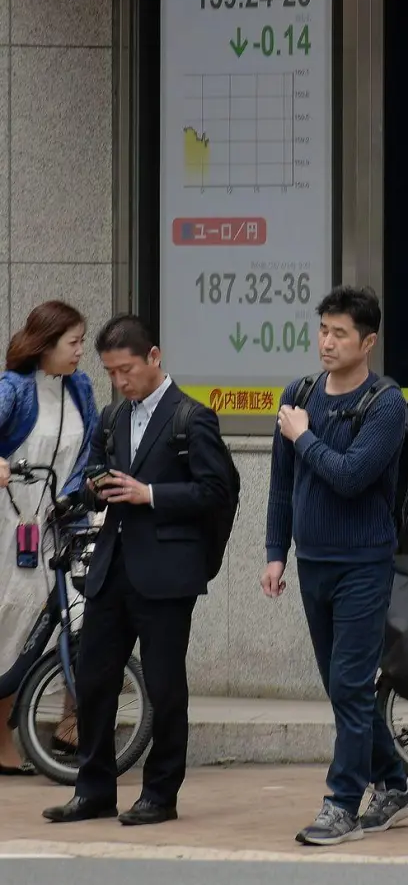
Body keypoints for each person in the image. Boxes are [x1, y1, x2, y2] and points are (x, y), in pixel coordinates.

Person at [43, 315, 229, 827]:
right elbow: (93, 482)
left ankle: (160, 795)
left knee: (165, 688)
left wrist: (149, 494)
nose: (120, 381)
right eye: (110, 372)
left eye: (126, 369)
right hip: (111, 567)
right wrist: (91, 489)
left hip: (166, 573)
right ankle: (93, 790)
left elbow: (216, 491)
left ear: (154, 357)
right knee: (94, 681)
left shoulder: (192, 417)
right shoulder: (112, 417)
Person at [261, 287, 408, 846]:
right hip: (313, 562)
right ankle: (396, 786)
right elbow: (281, 484)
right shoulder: (299, 393)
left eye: (340, 333)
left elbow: (351, 476)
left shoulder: (385, 403)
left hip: (364, 563)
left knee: (350, 685)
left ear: (367, 341)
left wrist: (303, 435)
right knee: (341, 687)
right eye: (323, 330)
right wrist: (275, 552)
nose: (327, 342)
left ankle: (342, 804)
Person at [0, 301, 95, 776]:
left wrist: (77, 498)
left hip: (59, 526)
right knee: (13, 624)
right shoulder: (13, 388)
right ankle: (3, 737)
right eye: (73, 342)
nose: (80, 351)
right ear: (46, 343)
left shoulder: (80, 387)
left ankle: (69, 726)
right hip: (9, 523)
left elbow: (89, 451)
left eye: (82, 342)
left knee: (76, 617)